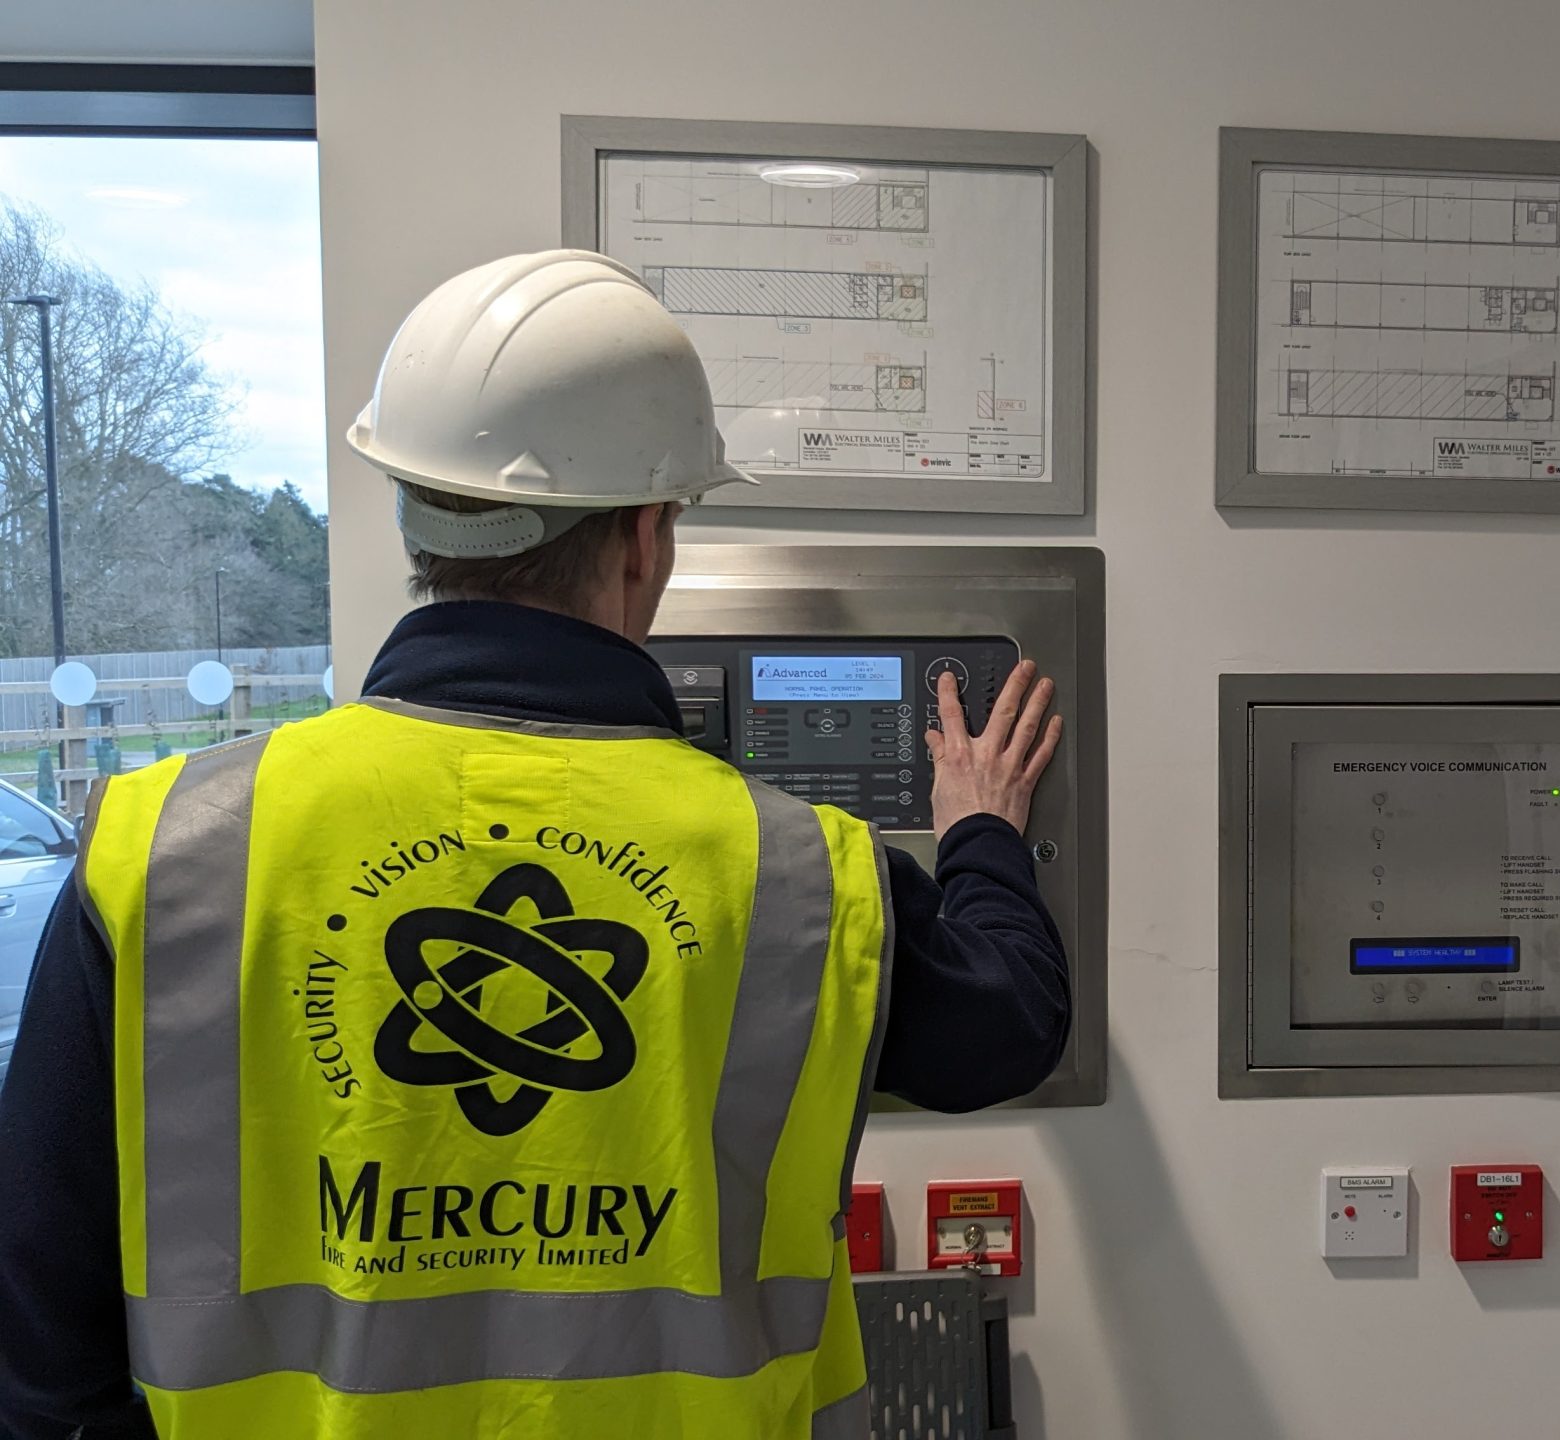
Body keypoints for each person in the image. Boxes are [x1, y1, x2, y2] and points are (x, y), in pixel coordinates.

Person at [0, 250, 1070, 1440]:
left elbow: (43, 1331)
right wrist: (979, 830)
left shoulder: (164, 850)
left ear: (414, 511)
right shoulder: (797, 873)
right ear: (647, 538)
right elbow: (1006, 1029)